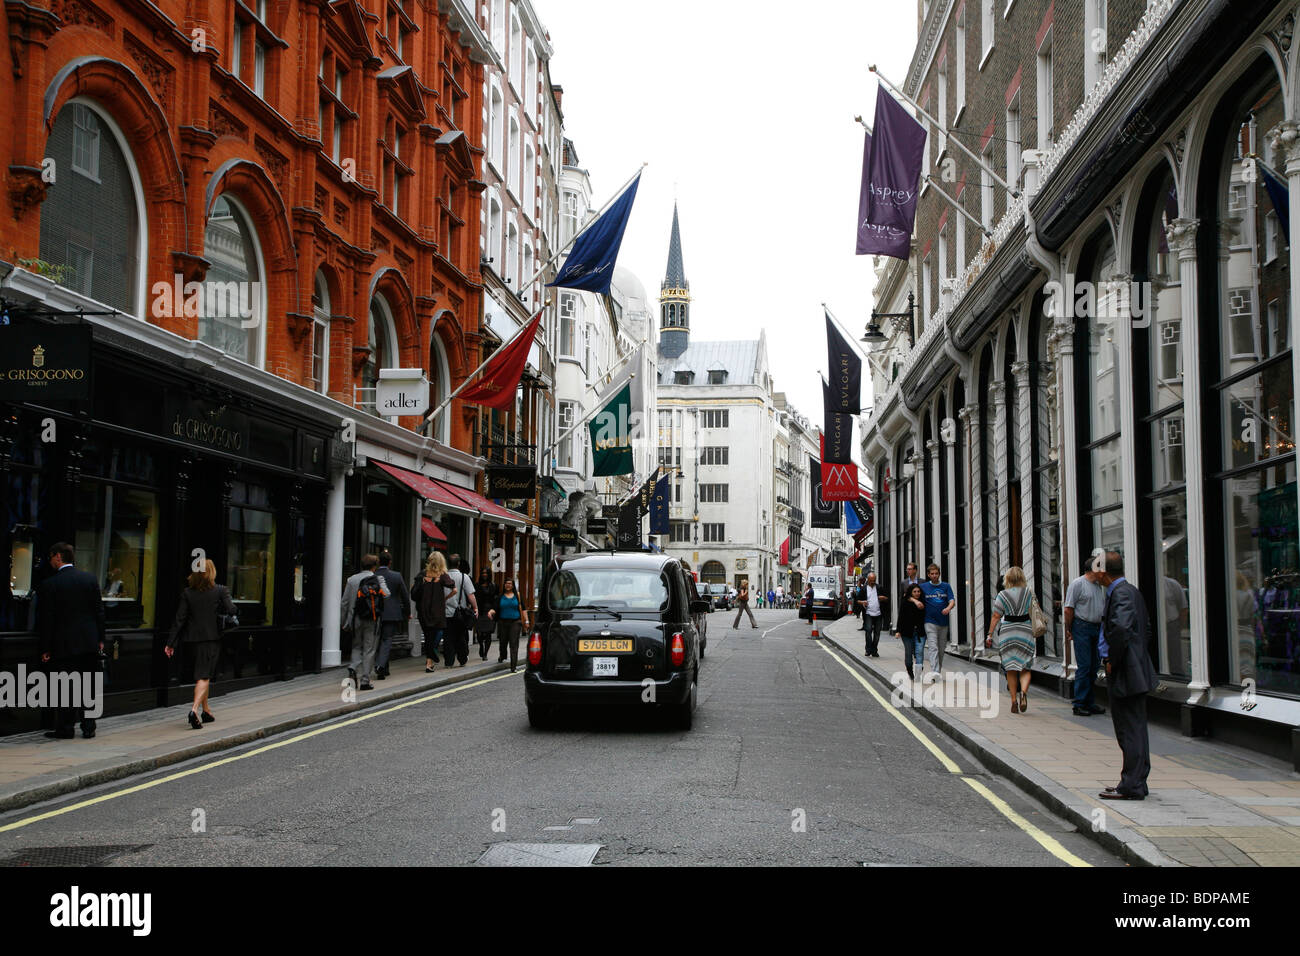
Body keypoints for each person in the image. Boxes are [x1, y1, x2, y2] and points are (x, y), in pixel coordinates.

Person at [1097, 551, 1156, 801]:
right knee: (1136, 728)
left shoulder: (1120, 593)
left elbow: (1121, 629)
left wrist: (1112, 659)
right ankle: (1136, 781)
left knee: (1128, 730)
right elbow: (1147, 629)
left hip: (1126, 672)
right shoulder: (1131, 591)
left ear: (1103, 572)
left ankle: (1131, 785)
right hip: (1135, 669)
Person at [36, 542, 106, 739]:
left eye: (50, 558)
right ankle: (89, 727)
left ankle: (66, 728)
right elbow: (99, 612)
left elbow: (47, 620)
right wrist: (101, 639)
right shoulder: (90, 579)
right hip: (89, 642)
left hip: (64, 645)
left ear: (58, 556)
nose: (50, 562)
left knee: (66, 687)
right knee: (88, 685)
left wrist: (46, 647)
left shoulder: (50, 584)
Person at [166, 558, 237, 729]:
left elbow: (179, 619)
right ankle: (194, 711)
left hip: (190, 641)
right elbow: (232, 610)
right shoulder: (220, 590)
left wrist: (170, 643)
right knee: (204, 677)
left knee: (202, 674)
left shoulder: (187, 593)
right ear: (211, 572)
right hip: (211, 639)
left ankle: (207, 711)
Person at [985, 567, 1037, 714]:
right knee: (1025, 666)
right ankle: (1024, 693)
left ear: (1007, 579)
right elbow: (1035, 611)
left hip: (1007, 631)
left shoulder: (1002, 594)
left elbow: (996, 616)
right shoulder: (1029, 592)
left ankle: (1013, 700)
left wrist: (989, 635)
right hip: (1025, 630)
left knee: (1011, 668)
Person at [1064, 554, 1108, 717]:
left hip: (1097, 628)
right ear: (1093, 569)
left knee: (1094, 665)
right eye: (1101, 569)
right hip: (1082, 626)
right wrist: (1069, 628)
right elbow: (1068, 608)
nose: (1103, 572)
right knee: (1084, 665)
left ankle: (1089, 702)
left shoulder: (1097, 586)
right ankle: (1080, 703)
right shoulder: (1078, 584)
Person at [341, 554, 390, 690]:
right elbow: (387, 594)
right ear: (375, 566)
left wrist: (344, 621)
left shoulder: (351, 580)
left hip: (356, 618)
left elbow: (344, 603)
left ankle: (353, 667)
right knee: (369, 649)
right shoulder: (378, 579)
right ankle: (365, 681)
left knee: (356, 646)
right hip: (373, 619)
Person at [411, 551, 456, 673]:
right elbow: (454, 588)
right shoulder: (442, 575)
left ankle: (429, 662)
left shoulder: (422, 574)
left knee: (427, 636)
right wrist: (445, 598)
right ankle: (431, 658)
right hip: (437, 610)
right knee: (433, 635)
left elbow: (413, 592)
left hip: (423, 610)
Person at [373, 551, 410, 680]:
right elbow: (405, 596)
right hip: (391, 613)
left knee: (378, 641)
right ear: (390, 562)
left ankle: (384, 668)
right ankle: (380, 666)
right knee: (387, 640)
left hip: (374, 613)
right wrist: (408, 612)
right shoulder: (396, 576)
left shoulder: (373, 576)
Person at [920, 563, 956, 679]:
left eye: (936, 573)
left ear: (939, 574)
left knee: (941, 649)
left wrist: (948, 608)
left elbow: (952, 601)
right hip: (929, 621)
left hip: (943, 622)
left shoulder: (946, 586)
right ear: (928, 575)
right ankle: (934, 671)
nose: (935, 576)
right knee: (933, 647)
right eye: (932, 574)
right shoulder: (924, 587)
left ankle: (938, 671)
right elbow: (911, 595)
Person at [442, 555, 478, 667]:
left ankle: (449, 661)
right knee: (460, 636)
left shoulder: (443, 576)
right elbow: (470, 595)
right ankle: (462, 659)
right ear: (458, 564)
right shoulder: (464, 577)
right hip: (460, 613)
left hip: (446, 613)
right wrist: (475, 608)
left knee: (447, 637)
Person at [894, 583, 927, 681]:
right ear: (911, 593)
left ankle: (918, 673)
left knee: (919, 652)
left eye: (918, 592)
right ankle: (910, 671)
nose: (917, 593)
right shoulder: (905, 602)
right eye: (915, 592)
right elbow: (901, 617)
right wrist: (898, 631)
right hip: (907, 633)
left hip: (920, 632)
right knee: (908, 654)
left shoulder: (923, 602)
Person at [495, 579, 527, 671]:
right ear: (504, 585)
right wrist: (492, 611)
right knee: (503, 642)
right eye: (506, 583)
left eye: (510, 583)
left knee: (514, 644)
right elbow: (495, 607)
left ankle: (513, 667)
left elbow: (523, 609)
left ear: (513, 585)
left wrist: (527, 621)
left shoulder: (518, 596)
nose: (508, 585)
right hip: (502, 622)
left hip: (515, 622)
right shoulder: (500, 596)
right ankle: (502, 656)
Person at [859, 572, 887, 658]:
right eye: (871, 580)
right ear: (868, 579)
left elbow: (887, 598)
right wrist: (863, 602)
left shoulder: (879, 588)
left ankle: (874, 650)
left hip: (878, 613)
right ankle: (868, 650)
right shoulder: (864, 589)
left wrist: (883, 598)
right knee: (868, 631)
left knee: (877, 633)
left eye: (874, 580)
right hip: (868, 613)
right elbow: (858, 600)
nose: (872, 582)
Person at [474, 567, 499, 660]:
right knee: (479, 633)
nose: (484, 574)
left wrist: (494, 610)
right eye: (483, 573)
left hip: (490, 612)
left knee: (488, 634)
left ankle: (485, 654)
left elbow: (497, 600)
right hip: (480, 611)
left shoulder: (494, 586)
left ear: (489, 574)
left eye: (486, 573)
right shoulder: (477, 585)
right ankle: (481, 645)